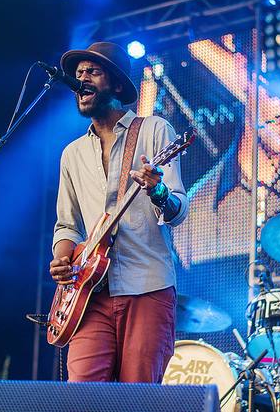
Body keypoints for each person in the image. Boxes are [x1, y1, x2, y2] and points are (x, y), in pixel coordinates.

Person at [49, 41, 188, 383]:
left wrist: (157, 190)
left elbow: (179, 209)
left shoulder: (155, 130)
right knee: (80, 396)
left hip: (146, 286)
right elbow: (67, 224)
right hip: (88, 294)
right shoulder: (72, 153)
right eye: (79, 73)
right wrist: (63, 258)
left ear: (116, 84)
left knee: (136, 399)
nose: (82, 80)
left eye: (93, 72)